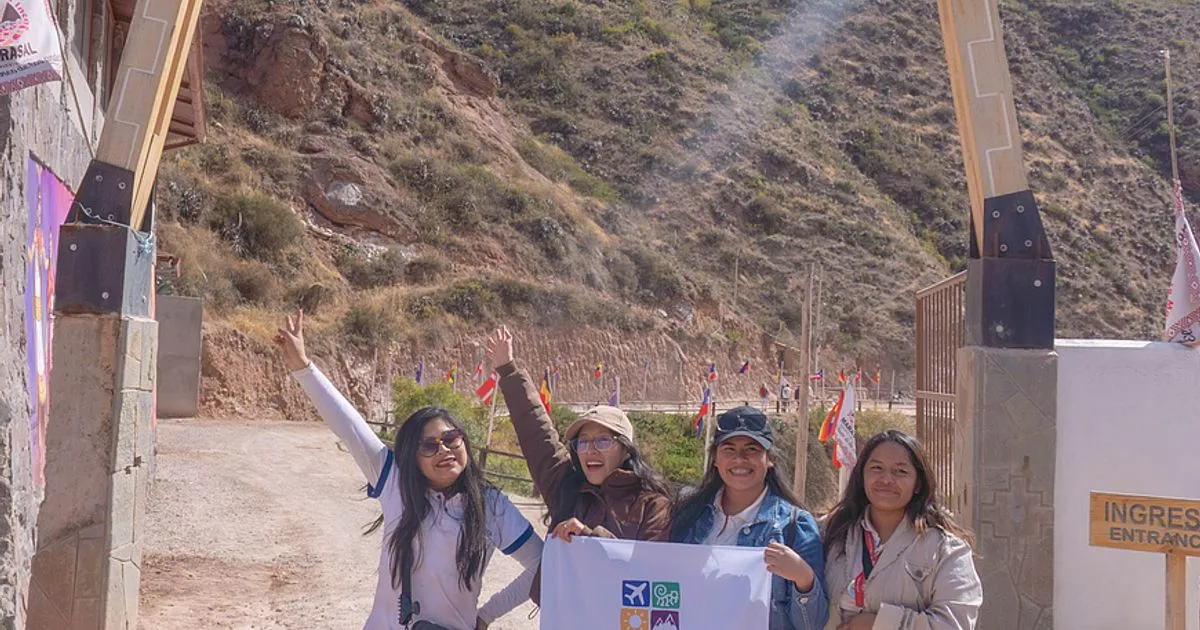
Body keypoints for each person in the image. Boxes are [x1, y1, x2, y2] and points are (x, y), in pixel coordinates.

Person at [275, 310, 542, 630]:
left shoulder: (492, 506)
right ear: (412, 458)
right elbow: (349, 426)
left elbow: (546, 566)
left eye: (451, 439)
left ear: (465, 443)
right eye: (428, 445)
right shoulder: (394, 483)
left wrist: (486, 614)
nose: (443, 449)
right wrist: (305, 369)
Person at [487, 326, 671, 603]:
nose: (590, 450)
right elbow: (536, 431)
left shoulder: (653, 505)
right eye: (583, 442)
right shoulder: (566, 487)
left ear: (625, 450)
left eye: (603, 441)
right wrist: (508, 371)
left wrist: (590, 537)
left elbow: (653, 572)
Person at [669, 406, 828, 629]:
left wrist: (803, 579)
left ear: (769, 458)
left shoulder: (794, 525)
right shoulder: (688, 515)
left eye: (752, 449)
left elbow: (812, 624)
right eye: (729, 450)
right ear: (715, 458)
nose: (740, 459)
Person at [821, 430, 982, 630]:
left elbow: (955, 625)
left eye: (900, 471)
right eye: (876, 468)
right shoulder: (831, 534)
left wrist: (879, 625)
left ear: (918, 484)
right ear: (862, 476)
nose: (886, 479)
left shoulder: (946, 551)